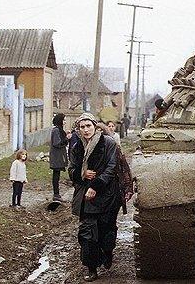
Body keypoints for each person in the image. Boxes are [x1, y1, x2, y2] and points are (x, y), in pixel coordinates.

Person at [68, 113, 122, 282]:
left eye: (88, 126)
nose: (86, 130)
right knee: (87, 235)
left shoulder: (108, 143)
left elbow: (112, 168)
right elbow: (71, 169)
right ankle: (91, 269)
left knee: (106, 230)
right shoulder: (76, 146)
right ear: (79, 129)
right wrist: (82, 174)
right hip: (86, 198)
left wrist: (95, 185)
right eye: (82, 127)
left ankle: (107, 252)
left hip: (107, 195)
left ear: (95, 126)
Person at [50, 113, 71, 202]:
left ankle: (57, 194)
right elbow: (57, 143)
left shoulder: (59, 129)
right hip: (56, 156)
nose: (65, 121)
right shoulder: (56, 130)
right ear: (60, 120)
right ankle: (56, 194)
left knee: (57, 174)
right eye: (64, 120)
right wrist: (67, 139)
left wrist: (65, 135)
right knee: (56, 175)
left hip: (58, 155)